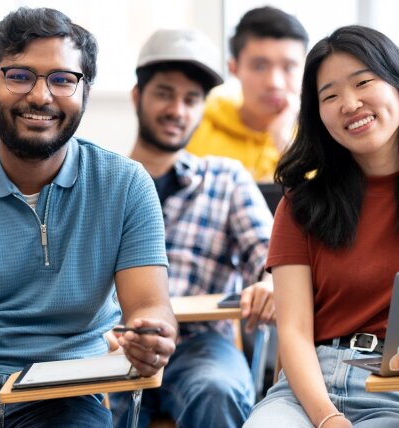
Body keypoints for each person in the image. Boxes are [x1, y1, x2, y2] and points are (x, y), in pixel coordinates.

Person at [0, 7, 177, 427]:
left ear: (85, 93)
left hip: (64, 397)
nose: (41, 96)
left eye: (62, 80)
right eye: (20, 76)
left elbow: (150, 306)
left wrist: (152, 336)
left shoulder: (126, 185)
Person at [244, 26, 399, 428]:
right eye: (330, 96)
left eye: (363, 83)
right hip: (306, 389)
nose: (350, 103)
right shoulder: (300, 204)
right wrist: (326, 418)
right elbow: (292, 331)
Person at [108, 29, 275, 428]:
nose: (177, 110)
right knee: (86, 407)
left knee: (217, 390)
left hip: (202, 345)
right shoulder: (102, 181)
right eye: (165, 93)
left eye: (191, 99)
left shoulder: (226, 178)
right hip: (115, 344)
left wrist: (270, 283)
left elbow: (272, 258)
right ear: (138, 97)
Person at [186, 6, 308, 182]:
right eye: (260, 66)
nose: (275, 83)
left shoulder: (324, 133)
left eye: (289, 67)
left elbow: (328, 205)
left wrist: (285, 143)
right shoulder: (196, 125)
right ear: (234, 68)